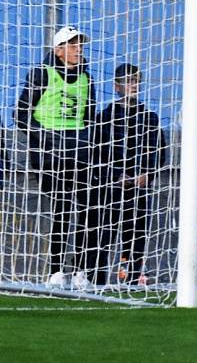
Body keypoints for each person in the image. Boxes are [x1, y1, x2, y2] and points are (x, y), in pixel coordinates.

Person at [15, 25, 106, 289]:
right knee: (62, 209)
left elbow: (90, 119)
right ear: (58, 50)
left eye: (81, 44)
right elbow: (20, 115)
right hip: (49, 155)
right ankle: (56, 272)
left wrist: (90, 145)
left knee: (89, 209)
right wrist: (44, 137)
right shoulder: (41, 75)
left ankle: (80, 271)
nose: (79, 49)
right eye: (73, 44)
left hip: (79, 151)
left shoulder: (87, 79)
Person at [98, 63, 165, 287]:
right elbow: (98, 153)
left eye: (136, 80)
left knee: (136, 232)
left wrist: (147, 174)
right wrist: (115, 175)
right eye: (128, 81)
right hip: (112, 187)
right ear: (117, 86)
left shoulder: (150, 118)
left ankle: (133, 273)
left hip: (140, 186)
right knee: (105, 232)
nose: (133, 85)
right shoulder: (105, 117)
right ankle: (96, 276)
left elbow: (159, 152)